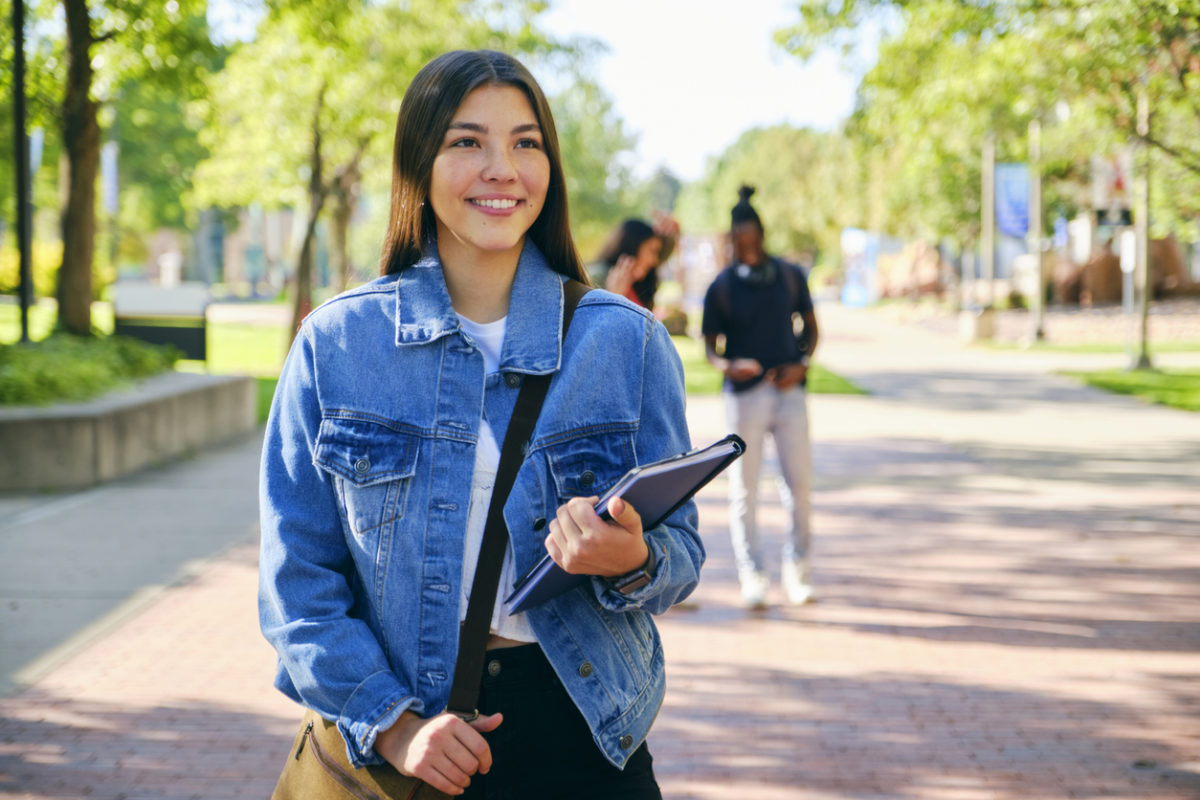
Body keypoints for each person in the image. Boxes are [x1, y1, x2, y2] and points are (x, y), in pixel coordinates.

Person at [258, 50, 702, 799]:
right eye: (468, 142)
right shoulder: (335, 348)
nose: (502, 168)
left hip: (585, 738)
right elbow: (295, 586)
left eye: (526, 143)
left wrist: (630, 558)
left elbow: (681, 552)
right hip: (406, 742)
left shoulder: (626, 343)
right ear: (419, 166)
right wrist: (395, 727)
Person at [701, 185, 819, 609]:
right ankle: (753, 576)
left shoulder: (789, 275)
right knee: (744, 491)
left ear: (763, 236)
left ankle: (798, 570)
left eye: (753, 240)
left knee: (799, 486)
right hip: (744, 397)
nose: (747, 249)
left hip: (789, 393)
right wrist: (729, 366)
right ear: (732, 240)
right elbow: (710, 350)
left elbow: (811, 327)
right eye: (739, 242)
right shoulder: (722, 287)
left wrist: (802, 363)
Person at [588, 214, 679, 310]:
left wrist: (671, 232)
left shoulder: (638, 284)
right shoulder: (597, 276)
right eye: (652, 251)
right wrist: (615, 297)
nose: (654, 261)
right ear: (633, 246)